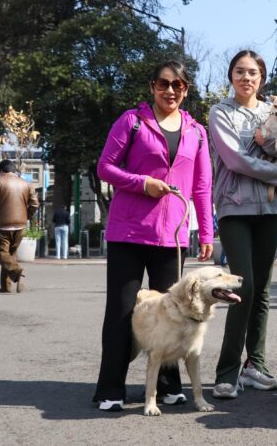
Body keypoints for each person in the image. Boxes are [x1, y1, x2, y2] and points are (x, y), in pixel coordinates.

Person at [93, 60, 214, 412]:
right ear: (152, 87)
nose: (170, 90)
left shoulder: (197, 132)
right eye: (164, 83)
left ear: (186, 89)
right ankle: (111, 389)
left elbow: (202, 186)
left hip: (172, 236)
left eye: (178, 85)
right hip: (128, 231)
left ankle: (167, 385)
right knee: (121, 311)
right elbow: (105, 167)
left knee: (174, 312)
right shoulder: (131, 122)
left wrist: (205, 230)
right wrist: (141, 183)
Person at [210, 50, 277, 399]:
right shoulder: (220, 112)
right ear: (231, 76)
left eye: (253, 72)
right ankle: (227, 371)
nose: (246, 78)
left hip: (269, 210)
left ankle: (257, 365)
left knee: (262, 288)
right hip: (234, 207)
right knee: (244, 284)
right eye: (239, 71)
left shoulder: (275, 109)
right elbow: (235, 159)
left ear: (261, 78)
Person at [0, 159, 40, 293]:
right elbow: (34, 204)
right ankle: (6, 286)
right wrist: (26, 216)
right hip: (20, 225)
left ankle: (17, 272)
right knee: (10, 255)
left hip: (3, 224)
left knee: (0, 253)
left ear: (2, 171)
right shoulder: (26, 184)